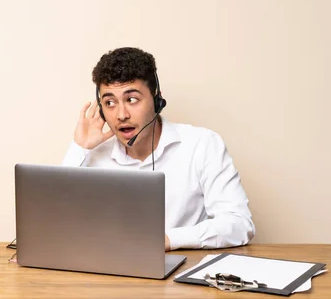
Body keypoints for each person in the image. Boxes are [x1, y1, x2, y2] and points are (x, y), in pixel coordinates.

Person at [61, 47, 255, 251]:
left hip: (181, 273)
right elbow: (55, 225)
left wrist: (168, 240)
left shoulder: (202, 144)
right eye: (109, 102)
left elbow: (239, 223)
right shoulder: (93, 154)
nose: (121, 115)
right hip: (108, 274)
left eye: (132, 99)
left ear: (157, 100)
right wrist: (79, 149)